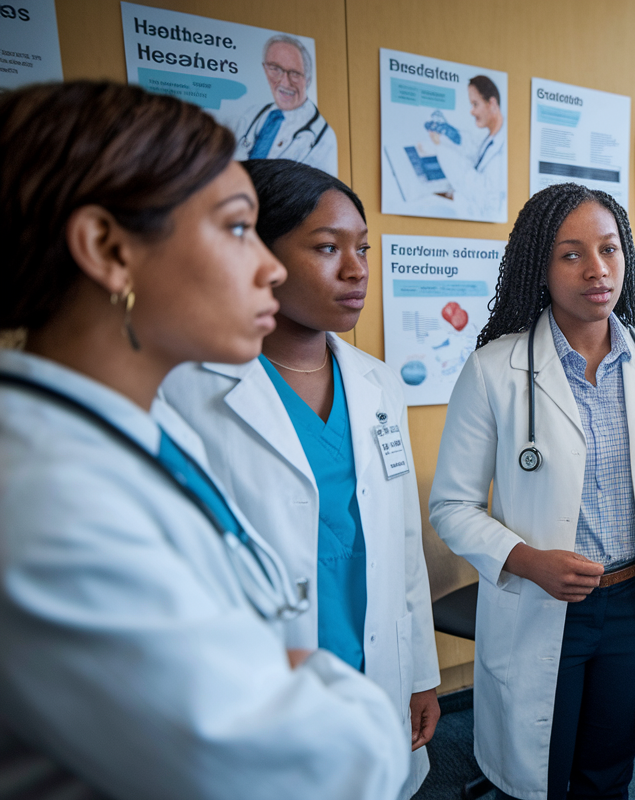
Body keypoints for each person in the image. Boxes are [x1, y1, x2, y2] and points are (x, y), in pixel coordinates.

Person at [0, 81, 406, 799]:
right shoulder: (49, 498)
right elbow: (300, 767)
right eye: (237, 228)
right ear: (108, 249)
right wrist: (337, 701)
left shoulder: (123, 432)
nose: (271, 269)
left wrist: (274, 671)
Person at [160, 159, 440, 800]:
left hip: (377, 662)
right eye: (326, 247)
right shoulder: (187, 389)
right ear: (253, 252)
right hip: (261, 674)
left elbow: (401, 545)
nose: (356, 269)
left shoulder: (377, 385)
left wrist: (421, 671)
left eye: (362, 248)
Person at [428, 182, 635, 800]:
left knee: (608, 773)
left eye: (609, 249)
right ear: (540, 266)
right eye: (571, 253)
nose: (596, 269)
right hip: (543, 601)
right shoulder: (495, 370)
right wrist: (529, 563)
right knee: (540, 777)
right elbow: (452, 506)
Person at [232, 34, 338, 176]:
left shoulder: (323, 139)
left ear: (308, 79)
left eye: (294, 73)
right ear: (265, 69)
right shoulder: (251, 116)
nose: (284, 82)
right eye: (275, 69)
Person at [428, 74, 507, 221]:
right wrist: (450, 135)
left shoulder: (502, 152)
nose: (472, 111)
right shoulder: (491, 138)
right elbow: (474, 152)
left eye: (475, 104)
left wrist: (440, 147)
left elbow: (478, 190)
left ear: (492, 104)